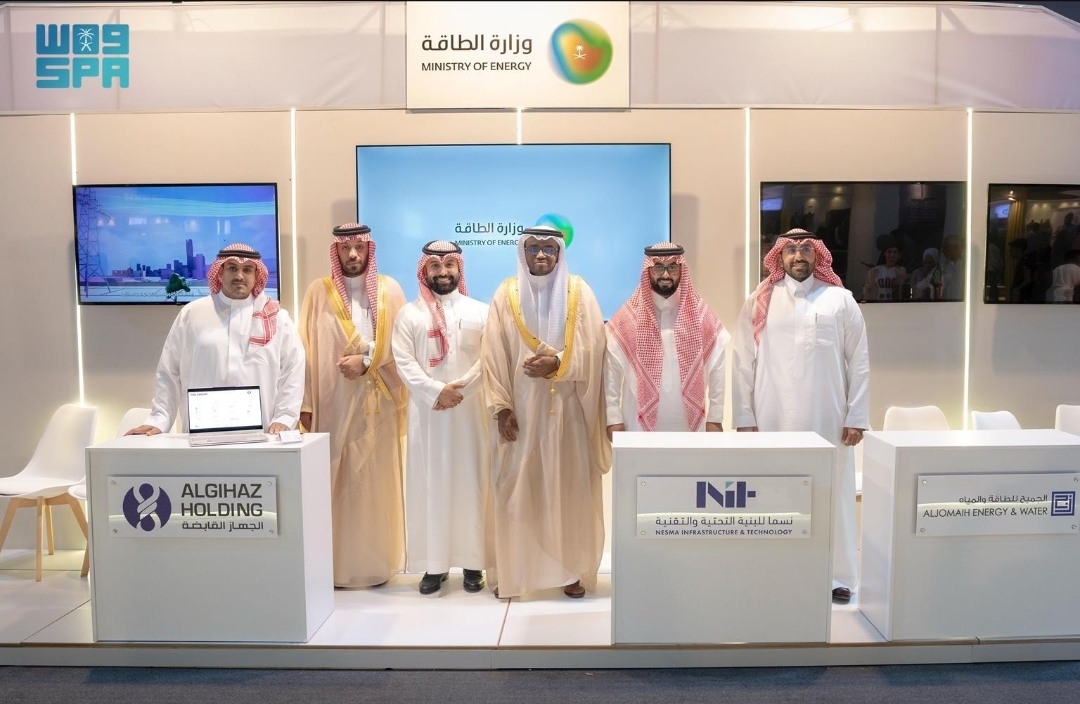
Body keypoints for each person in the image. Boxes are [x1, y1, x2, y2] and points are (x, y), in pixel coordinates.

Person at [732, 229, 870, 604]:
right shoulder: (759, 300)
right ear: (779, 257)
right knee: (773, 493)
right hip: (771, 417)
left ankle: (838, 576)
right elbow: (742, 361)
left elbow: (859, 361)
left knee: (833, 495)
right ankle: (775, 572)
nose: (798, 255)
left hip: (829, 418)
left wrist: (857, 415)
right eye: (790, 249)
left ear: (817, 255)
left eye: (806, 249)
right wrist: (744, 417)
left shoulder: (841, 300)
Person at [481, 225, 610, 600]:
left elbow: (595, 348)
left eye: (549, 248)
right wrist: (501, 407)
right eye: (534, 247)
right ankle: (515, 572)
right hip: (521, 414)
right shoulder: (505, 294)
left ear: (559, 253)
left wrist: (558, 364)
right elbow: (492, 353)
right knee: (517, 489)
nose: (541, 254)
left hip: (568, 412)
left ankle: (570, 571)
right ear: (523, 252)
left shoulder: (579, 292)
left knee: (568, 490)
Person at [298, 223, 408, 589]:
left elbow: (403, 345)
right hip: (333, 403)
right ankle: (335, 566)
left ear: (369, 250)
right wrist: (305, 403)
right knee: (338, 480)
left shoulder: (390, 290)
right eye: (346, 249)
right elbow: (304, 350)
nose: (353, 255)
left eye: (359, 247)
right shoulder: (318, 292)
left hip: (379, 402)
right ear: (337, 252)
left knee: (375, 483)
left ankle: (377, 564)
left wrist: (367, 361)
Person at [391, 240, 491, 596]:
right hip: (428, 418)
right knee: (429, 487)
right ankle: (433, 566)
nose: (443, 272)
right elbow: (404, 362)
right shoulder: (409, 315)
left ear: (458, 269)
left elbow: (489, 358)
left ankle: (473, 564)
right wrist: (436, 391)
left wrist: (459, 390)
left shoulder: (481, 311)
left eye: (449, 265)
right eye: (435, 266)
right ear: (425, 271)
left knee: (471, 485)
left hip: (470, 415)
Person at [127, 244, 304, 436]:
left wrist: (284, 418)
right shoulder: (192, 313)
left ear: (256, 274)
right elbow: (169, 371)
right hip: (201, 435)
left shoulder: (277, 318)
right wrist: (160, 419)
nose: (239, 276)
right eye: (232, 268)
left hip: (262, 434)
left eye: (247, 269)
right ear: (220, 272)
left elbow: (293, 370)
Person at [605, 242, 730, 435]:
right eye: (658, 267)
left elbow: (717, 367)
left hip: (689, 427)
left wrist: (715, 417)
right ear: (648, 270)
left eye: (672, 267)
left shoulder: (699, 315)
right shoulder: (629, 317)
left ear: (681, 270)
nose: (665, 274)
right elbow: (612, 370)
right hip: (638, 425)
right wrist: (613, 418)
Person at [862, 238, 907, 302]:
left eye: (895, 252)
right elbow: (867, 290)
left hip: (894, 304)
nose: (892, 255)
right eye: (889, 252)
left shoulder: (901, 271)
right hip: (877, 304)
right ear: (885, 253)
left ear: (899, 255)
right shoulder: (874, 271)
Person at [938, 235, 965, 301]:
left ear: (955, 248)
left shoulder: (966, 266)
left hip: (963, 305)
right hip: (946, 305)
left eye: (946, 248)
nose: (943, 251)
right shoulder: (941, 268)